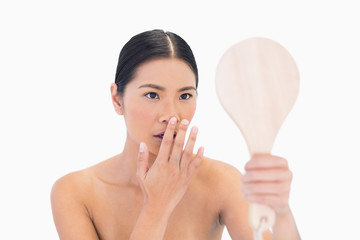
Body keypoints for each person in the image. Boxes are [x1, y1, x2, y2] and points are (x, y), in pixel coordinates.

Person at [51, 29, 301, 240]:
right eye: (152, 95)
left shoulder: (222, 183)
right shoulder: (75, 192)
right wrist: (157, 206)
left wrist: (281, 213)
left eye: (184, 96)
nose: (171, 115)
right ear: (117, 100)